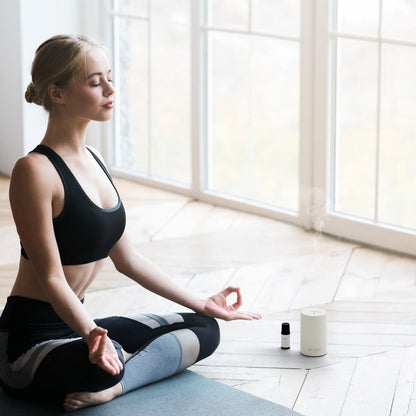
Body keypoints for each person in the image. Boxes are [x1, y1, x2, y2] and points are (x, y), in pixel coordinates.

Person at [0, 34, 261, 411]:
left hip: (83, 328)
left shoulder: (96, 158)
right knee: (104, 366)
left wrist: (204, 302)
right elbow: (52, 277)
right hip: (31, 342)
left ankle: (118, 385)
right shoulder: (34, 171)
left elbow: (129, 260)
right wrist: (91, 333)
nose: (110, 88)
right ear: (56, 93)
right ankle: (112, 372)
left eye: (109, 77)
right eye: (94, 82)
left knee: (205, 327)